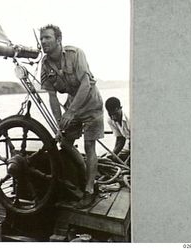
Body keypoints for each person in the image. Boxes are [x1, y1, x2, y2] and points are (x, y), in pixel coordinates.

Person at [40, 24, 104, 208]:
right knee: (65, 141)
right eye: (42, 38)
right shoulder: (44, 65)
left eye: (47, 37)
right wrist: (59, 123)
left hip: (92, 105)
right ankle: (87, 175)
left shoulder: (76, 54)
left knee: (89, 145)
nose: (43, 41)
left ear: (58, 40)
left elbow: (85, 84)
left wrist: (71, 112)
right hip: (72, 105)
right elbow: (52, 96)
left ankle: (90, 190)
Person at [105, 97, 130, 164]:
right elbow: (120, 139)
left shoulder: (130, 117)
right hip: (130, 144)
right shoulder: (110, 120)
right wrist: (113, 154)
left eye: (115, 114)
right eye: (110, 114)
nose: (113, 118)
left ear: (120, 108)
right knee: (113, 158)